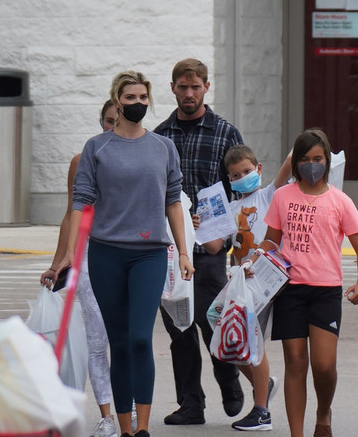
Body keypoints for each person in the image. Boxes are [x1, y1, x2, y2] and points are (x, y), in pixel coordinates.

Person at [58, 70, 195, 437]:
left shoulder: (163, 147)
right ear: (117, 102)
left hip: (149, 254)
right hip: (105, 255)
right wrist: (70, 255)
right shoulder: (96, 147)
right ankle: (125, 429)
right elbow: (80, 203)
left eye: (143, 98)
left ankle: (144, 427)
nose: (137, 104)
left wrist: (183, 251)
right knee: (118, 343)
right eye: (130, 98)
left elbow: (173, 201)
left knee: (139, 338)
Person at [253, 128, 358, 437]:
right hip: (289, 290)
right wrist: (252, 258)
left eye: (317, 158)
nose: (311, 165)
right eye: (304, 159)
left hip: (326, 292)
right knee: (294, 362)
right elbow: (271, 241)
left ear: (327, 161)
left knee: (323, 365)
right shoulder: (282, 197)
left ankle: (323, 412)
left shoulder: (340, 201)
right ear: (296, 164)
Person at [154, 58, 245, 425]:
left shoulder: (225, 133)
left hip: (210, 248)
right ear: (173, 88)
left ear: (207, 87)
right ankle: (191, 402)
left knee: (213, 320)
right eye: (182, 87)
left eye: (196, 87)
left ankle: (230, 381)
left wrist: (227, 235)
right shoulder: (160, 136)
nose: (189, 93)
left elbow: (240, 188)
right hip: (171, 249)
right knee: (179, 328)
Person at [199, 144, 292, 430]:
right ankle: (263, 385)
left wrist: (303, 143)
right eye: (236, 175)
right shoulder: (229, 209)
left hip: (263, 277)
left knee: (251, 338)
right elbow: (215, 246)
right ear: (229, 179)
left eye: (248, 171)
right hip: (239, 279)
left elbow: (290, 161)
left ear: (259, 169)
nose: (243, 177)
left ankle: (261, 410)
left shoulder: (270, 195)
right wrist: (200, 226)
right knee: (218, 322)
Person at [40, 99, 119, 437]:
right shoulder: (82, 160)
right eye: (107, 120)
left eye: (117, 120)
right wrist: (60, 261)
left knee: (129, 341)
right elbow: (71, 214)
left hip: (129, 254)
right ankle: (107, 416)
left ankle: (130, 413)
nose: (111, 126)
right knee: (95, 338)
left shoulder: (145, 154)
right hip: (89, 255)